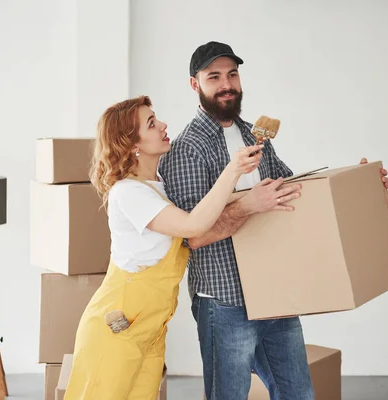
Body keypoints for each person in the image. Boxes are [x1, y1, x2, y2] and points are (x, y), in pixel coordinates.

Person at [158, 41, 388, 400]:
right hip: (225, 301)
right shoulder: (188, 148)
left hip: (275, 294)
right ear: (195, 85)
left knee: (298, 395)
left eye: (232, 74)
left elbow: (294, 191)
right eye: (214, 76)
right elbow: (193, 236)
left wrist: (358, 185)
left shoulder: (255, 134)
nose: (226, 84)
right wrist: (248, 206)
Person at [63, 95, 264, 400]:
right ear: (133, 144)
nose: (164, 125)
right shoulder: (128, 193)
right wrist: (233, 170)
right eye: (152, 123)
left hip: (149, 331)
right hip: (117, 329)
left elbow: (202, 207)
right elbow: (193, 225)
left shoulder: (156, 186)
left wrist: (253, 194)